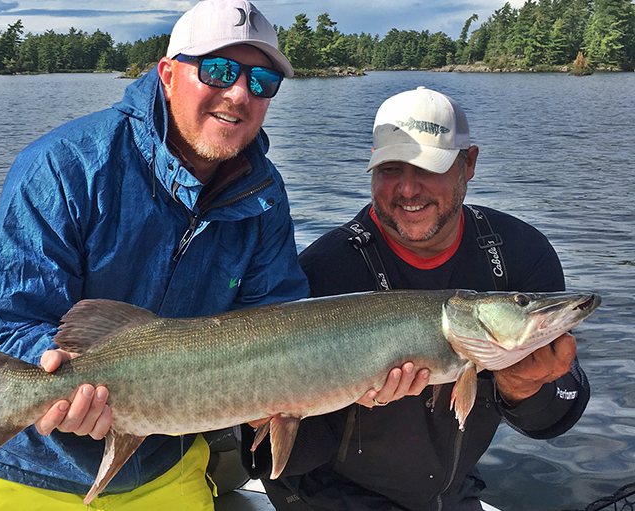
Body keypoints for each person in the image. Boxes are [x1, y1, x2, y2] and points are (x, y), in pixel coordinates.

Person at [0, 0, 309, 509]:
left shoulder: (265, 197)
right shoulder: (64, 166)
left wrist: (316, 385)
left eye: (262, 81)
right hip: (27, 464)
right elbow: (5, 326)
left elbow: (279, 326)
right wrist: (54, 371)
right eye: (219, 69)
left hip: (168, 462)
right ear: (167, 74)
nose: (239, 93)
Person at [243, 86, 590, 511]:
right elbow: (283, 461)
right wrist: (274, 404)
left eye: (429, 167)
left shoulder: (519, 255)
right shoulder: (325, 270)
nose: (408, 189)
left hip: (453, 494)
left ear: (469, 164)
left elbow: (555, 416)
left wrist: (525, 390)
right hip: (330, 499)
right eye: (390, 168)